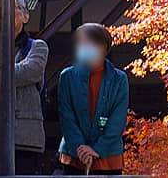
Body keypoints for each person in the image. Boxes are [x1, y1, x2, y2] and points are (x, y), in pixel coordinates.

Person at [54, 23, 129, 175]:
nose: (84, 47)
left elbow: (118, 119)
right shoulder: (67, 76)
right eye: (81, 43)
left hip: (108, 156)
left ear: (103, 47)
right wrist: (80, 148)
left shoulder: (119, 79)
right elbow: (67, 118)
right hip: (73, 155)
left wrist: (97, 149)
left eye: (89, 43)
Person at [13, 0, 50, 175]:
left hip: (25, 136)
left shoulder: (37, 47)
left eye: (14, 7)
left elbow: (29, 72)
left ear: (26, 16)